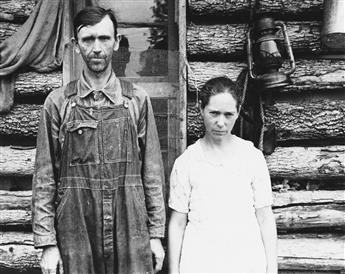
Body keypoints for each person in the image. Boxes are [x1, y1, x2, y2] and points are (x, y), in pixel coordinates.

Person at [32, 6, 165, 274]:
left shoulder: (136, 100)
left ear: (116, 42)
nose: (96, 48)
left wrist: (155, 234)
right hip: (75, 227)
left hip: (130, 225)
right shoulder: (58, 103)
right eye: (88, 39)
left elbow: (151, 173)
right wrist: (47, 243)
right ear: (75, 45)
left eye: (104, 38)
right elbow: (45, 177)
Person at [168, 76, 278, 273]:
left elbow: (265, 218)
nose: (221, 122)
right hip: (200, 262)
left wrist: (272, 269)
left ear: (237, 113)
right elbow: (177, 223)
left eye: (228, 114)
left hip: (246, 261)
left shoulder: (252, 158)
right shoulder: (187, 163)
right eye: (214, 113)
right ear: (201, 109)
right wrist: (174, 271)